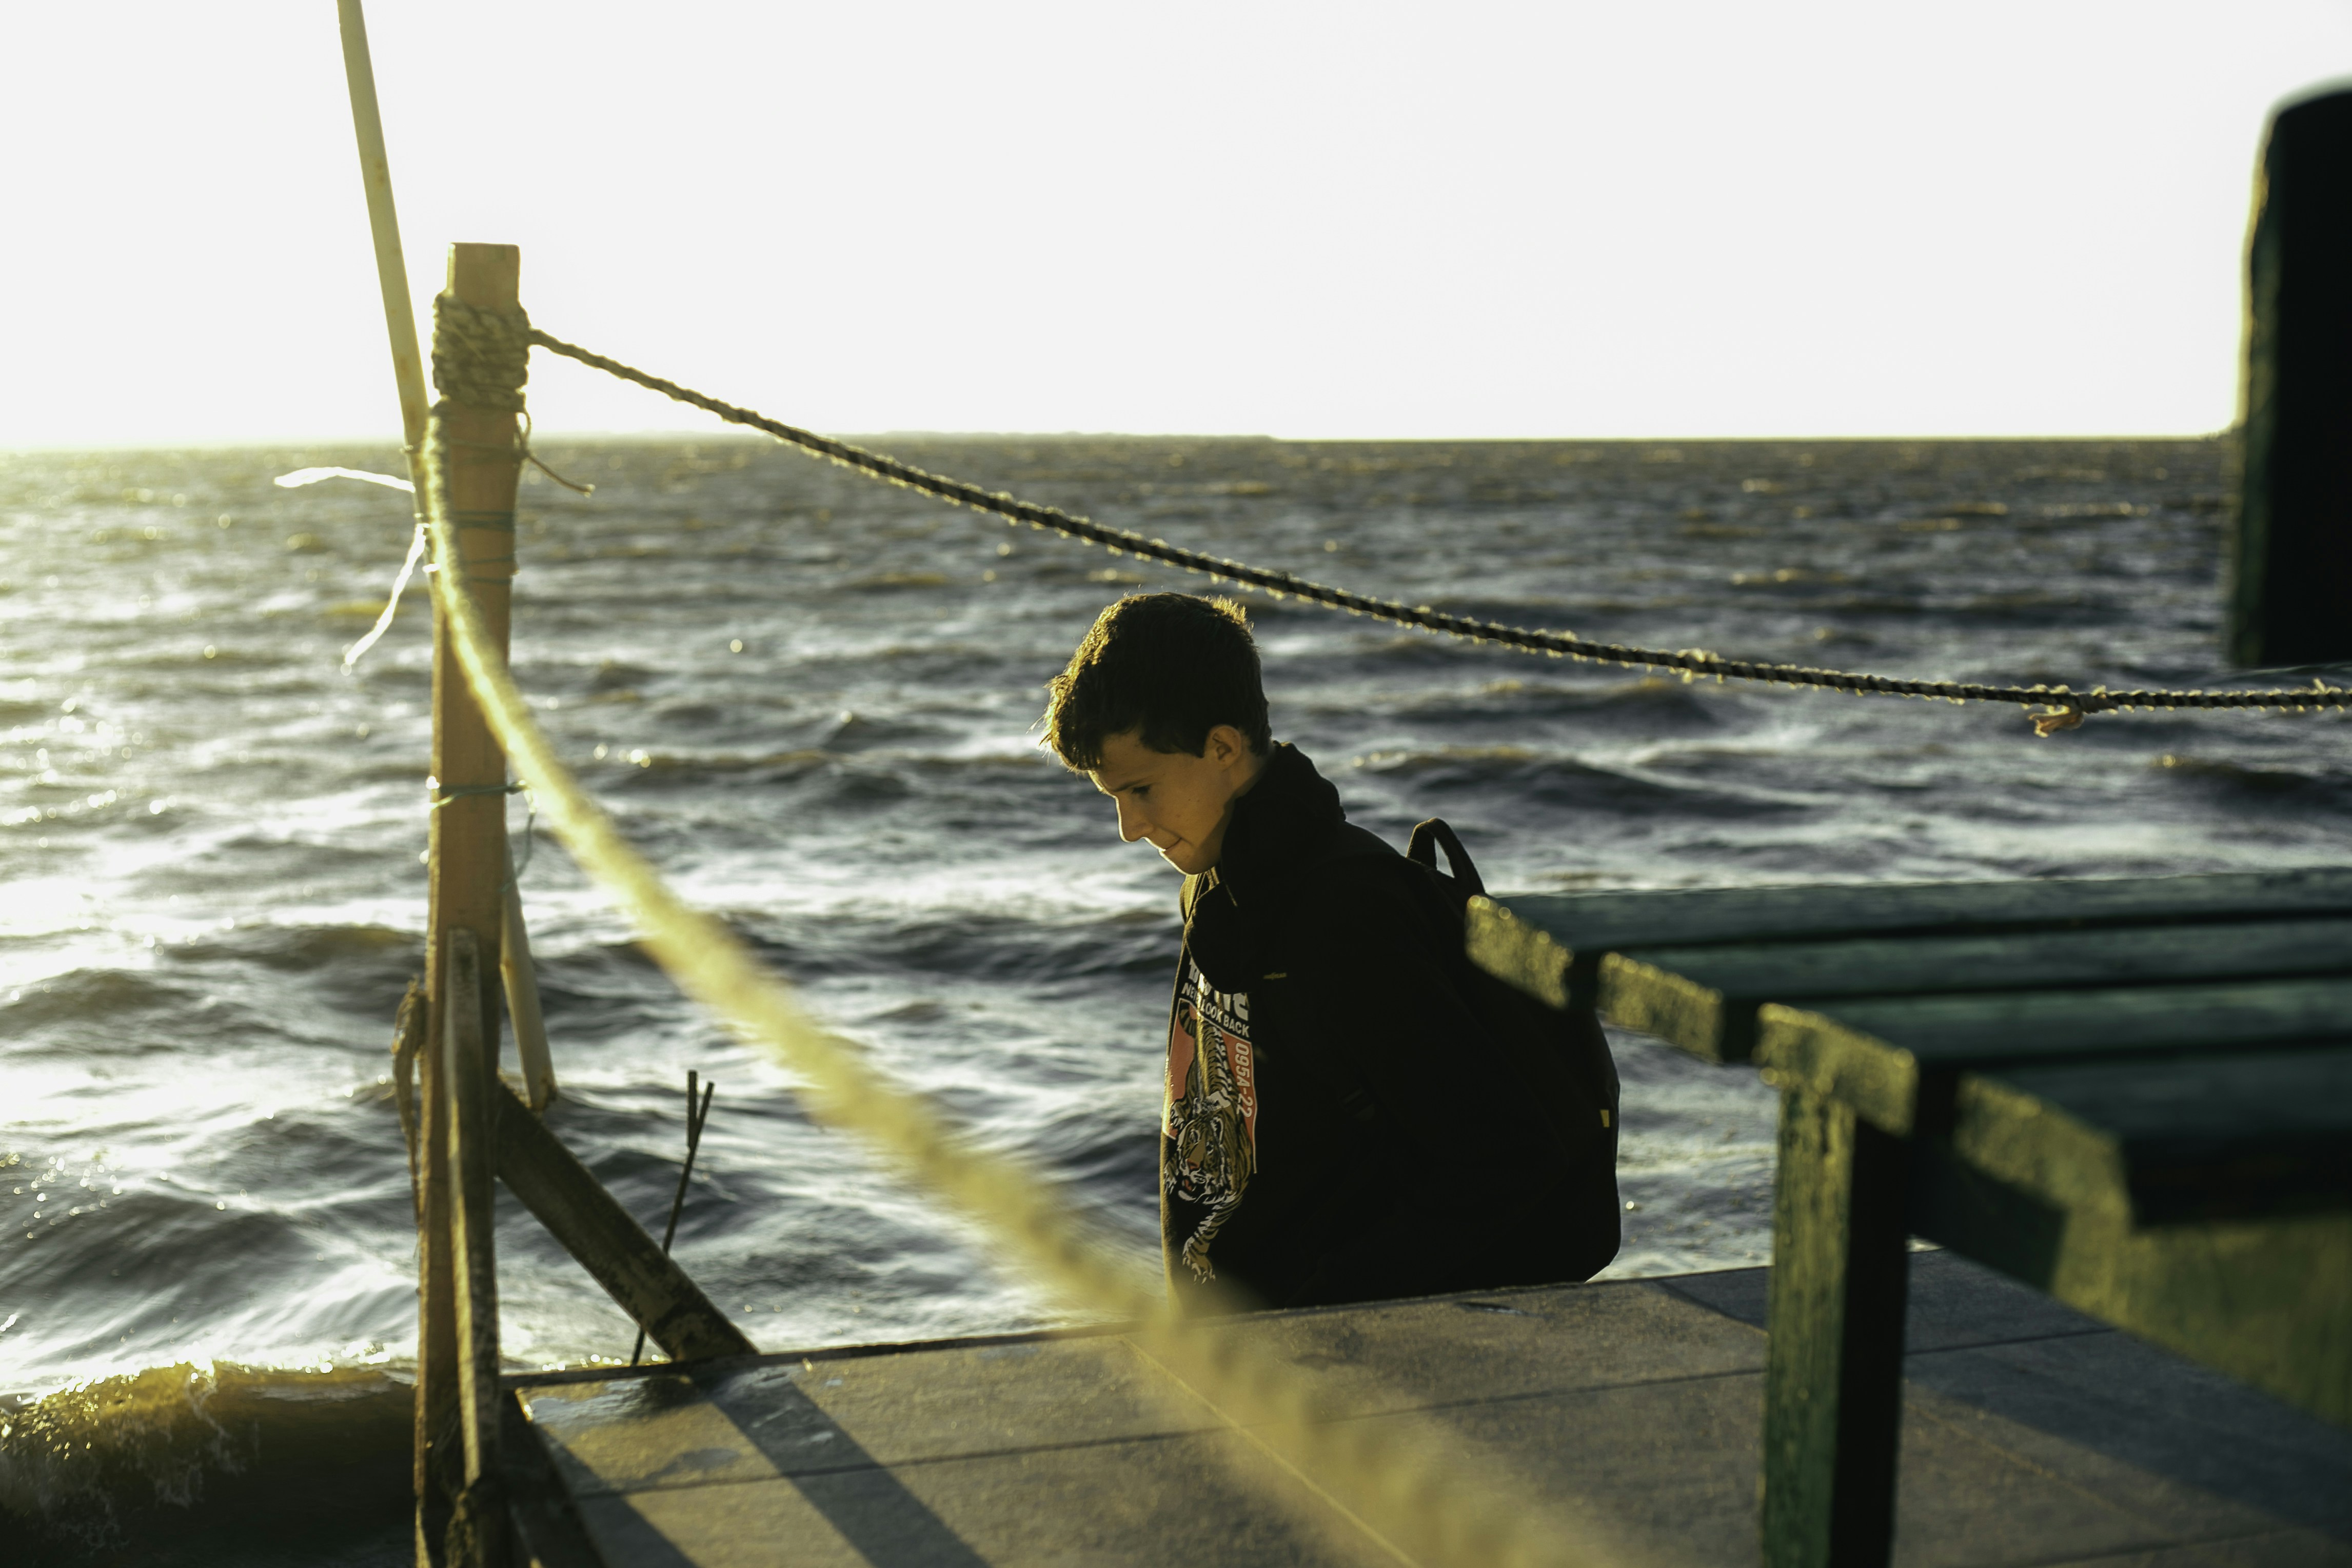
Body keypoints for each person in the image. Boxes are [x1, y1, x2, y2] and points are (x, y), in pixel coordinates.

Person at [1042, 592, 1620, 1314]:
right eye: (1114, 798)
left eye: (1141, 790)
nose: (1129, 827)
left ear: (1222, 748)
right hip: (1235, 1338)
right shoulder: (1215, 882)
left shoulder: (1346, 914)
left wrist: (1327, 1310)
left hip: (1323, 1348)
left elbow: (1504, 1156)